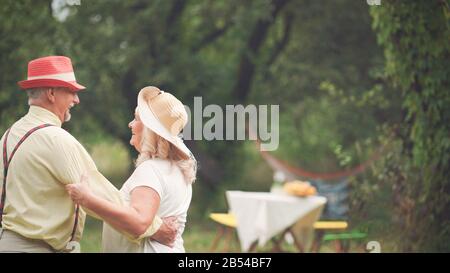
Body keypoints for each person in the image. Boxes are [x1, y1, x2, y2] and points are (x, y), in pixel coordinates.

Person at [0, 56, 177, 253]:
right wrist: (155, 227)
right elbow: (99, 195)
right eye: (71, 91)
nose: (76, 99)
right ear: (51, 93)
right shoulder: (56, 139)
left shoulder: (9, 136)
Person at [66, 86, 196, 252]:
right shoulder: (177, 168)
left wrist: (87, 199)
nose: (130, 124)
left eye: (136, 119)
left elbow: (139, 222)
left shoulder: (151, 170)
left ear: (150, 129)